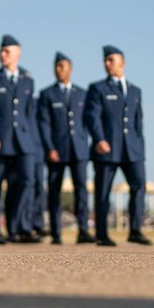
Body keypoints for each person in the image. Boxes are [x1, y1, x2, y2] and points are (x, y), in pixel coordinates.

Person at [84, 46, 150, 246]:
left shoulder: (135, 90)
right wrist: (99, 139)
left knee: (139, 187)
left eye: (111, 59)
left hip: (133, 150)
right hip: (107, 149)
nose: (107, 63)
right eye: (105, 60)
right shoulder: (97, 89)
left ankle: (135, 230)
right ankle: (102, 234)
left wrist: (139, 142)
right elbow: (91, 116)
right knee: (103, 192)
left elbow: (138, 120)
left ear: (123, 62)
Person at [0, 35, 38, 244]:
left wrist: (33, 142)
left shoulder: (28, 80)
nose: (2, 55)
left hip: (23, 142)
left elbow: (30, 113)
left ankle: (17, 228)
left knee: (24, 182)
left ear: (18, 54)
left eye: (7, 51)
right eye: (1, 51)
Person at [37, 52, 93, 244]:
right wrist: (49, 148)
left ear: (70, 68)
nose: (59, 70)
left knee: (81, 191)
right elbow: (44, 124)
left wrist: (86, 142)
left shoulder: (82, 94)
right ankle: (55, 233)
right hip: (56, 151)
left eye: (63, 66)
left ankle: (83, 230)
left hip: (79, 150)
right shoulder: (47, 94)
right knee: (54, 192)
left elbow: (88, 121)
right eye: (56, 66)